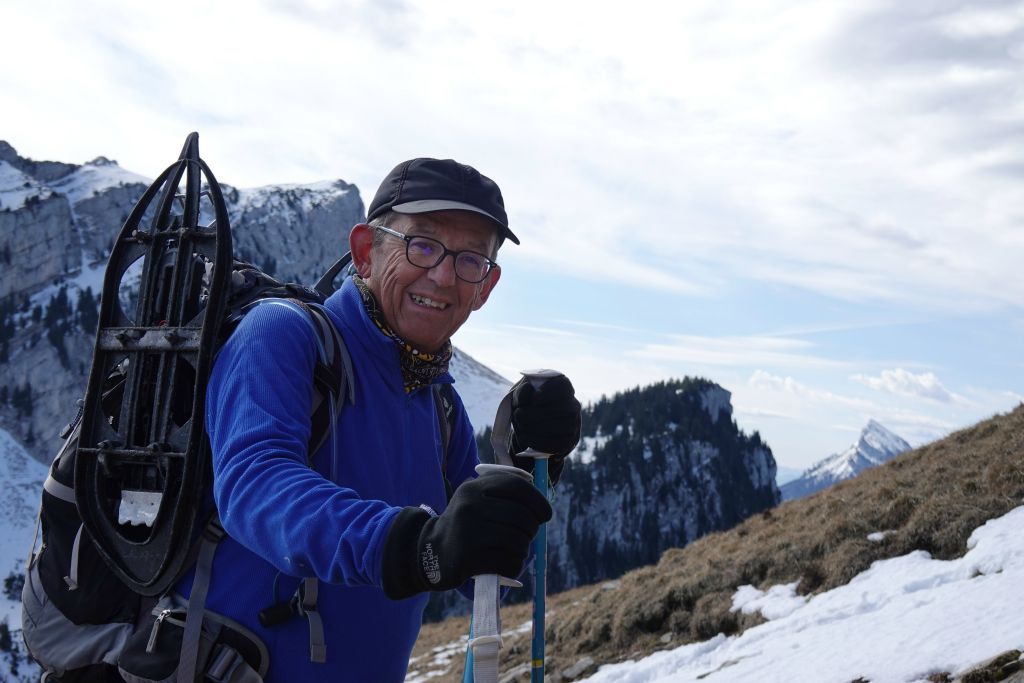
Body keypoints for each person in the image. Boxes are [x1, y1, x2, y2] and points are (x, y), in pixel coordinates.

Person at [180, 158, 582, 681]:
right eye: (422, 244)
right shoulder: (283, 335)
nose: (442, 275)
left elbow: (483, 564)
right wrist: (413, 546)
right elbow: (255, 487)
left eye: (469, 260)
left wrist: (534, 471)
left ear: (485, 286)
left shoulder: (440, 406)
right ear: (366, 251)